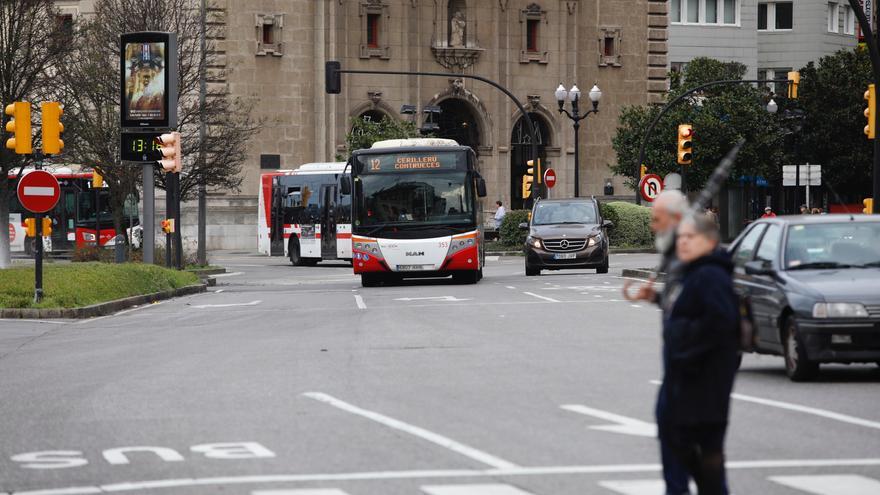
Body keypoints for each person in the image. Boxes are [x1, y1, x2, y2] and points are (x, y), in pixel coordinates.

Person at [660, 213, 739, 495]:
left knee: (695, 447)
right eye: (680, 237)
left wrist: (682, 340)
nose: (682, 242)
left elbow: (721, 323)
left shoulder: (710, 275)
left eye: (690, 237)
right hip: (695, 377)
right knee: (700, 451)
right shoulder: (696, 271)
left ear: (710, 241)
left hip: (704, 380)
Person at [623, 190, 693, 495]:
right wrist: (658, 297)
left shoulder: (698, 264)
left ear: (675, 220)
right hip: (676, 373)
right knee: (675, 454)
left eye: (657, 219)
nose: (652, 226)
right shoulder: (677, 260)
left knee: (705, 465)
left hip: (695, 378)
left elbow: (713, 317)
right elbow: (683, 303)